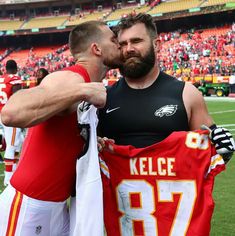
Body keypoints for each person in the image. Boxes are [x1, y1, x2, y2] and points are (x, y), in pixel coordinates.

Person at [98, 13, 235, 235]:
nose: (128, 49)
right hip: (122, 223)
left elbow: (212, 148)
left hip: (175, 224)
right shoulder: (103, 99)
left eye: (136, 41)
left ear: (156, 44)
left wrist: (223, 149)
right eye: (122, 44)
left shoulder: (186, 94)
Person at [0, 20, 121, 236]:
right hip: (31, 205)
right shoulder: (72, 78)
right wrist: (80, 91)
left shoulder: (83, 81)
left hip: (55, 206)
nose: (119, 44)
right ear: (96, 49)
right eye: (113, 40)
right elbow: (11, 113)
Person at [0, 60, 23, 186]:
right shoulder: (15, 78)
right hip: (10, 114)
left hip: (1, 112)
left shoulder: (1, 78)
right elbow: (17, 97)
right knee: (12, 144)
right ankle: (8, 179)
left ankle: (14, 170)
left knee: (19, 141)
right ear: (15, 68)